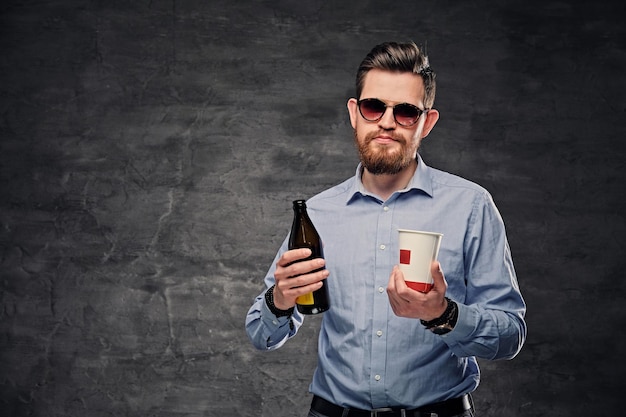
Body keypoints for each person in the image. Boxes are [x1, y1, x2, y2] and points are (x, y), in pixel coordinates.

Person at [245, 41, 527, 417]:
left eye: (407, 111)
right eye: (374, 106)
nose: (387, 122)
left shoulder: (470, 206)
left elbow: (510, 336)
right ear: (354, 113)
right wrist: (280, 300)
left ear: (427, 122)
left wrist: (444, 314)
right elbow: (261, 335)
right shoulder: (317, 213)